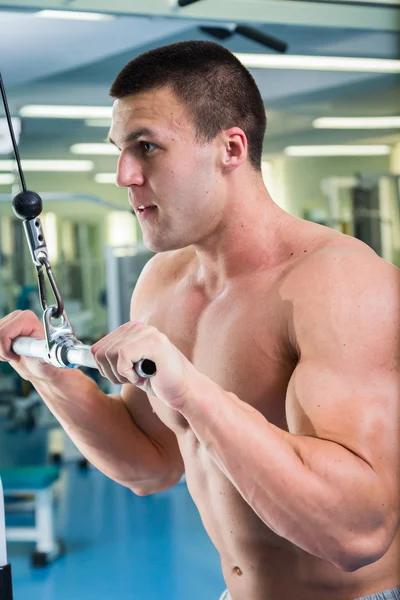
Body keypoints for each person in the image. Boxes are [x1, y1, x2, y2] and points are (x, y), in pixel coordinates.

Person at [0, 41, 399, 600]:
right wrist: (50, 374)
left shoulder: (339, 284)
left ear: (231, 148)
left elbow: (359, 534)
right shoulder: (161, 283)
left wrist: (190, 389)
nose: (123, 175)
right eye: (120, 149)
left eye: (146, 147)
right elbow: (151, 462)